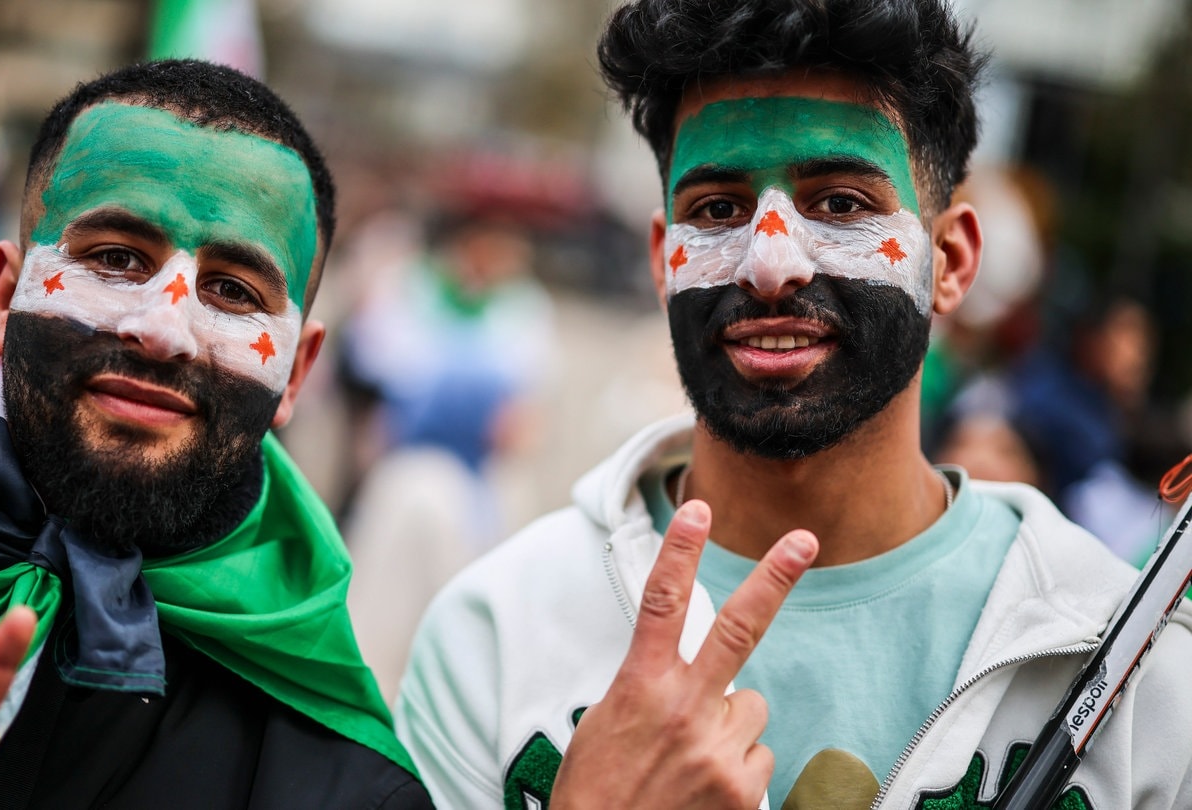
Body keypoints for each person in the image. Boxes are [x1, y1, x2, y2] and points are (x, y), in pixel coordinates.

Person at [394, 2, 1192, 809]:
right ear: (662, 261)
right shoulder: (494, 634)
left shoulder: (1137, 671)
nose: (770, 265)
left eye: (841, 203)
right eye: (715, 211)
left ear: (950, 260)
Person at [0, 60, 430, 809]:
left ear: (296, 374)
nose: (162, 329)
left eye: (233, 291)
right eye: (114, 258)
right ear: (5, 297)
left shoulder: (350, 787)